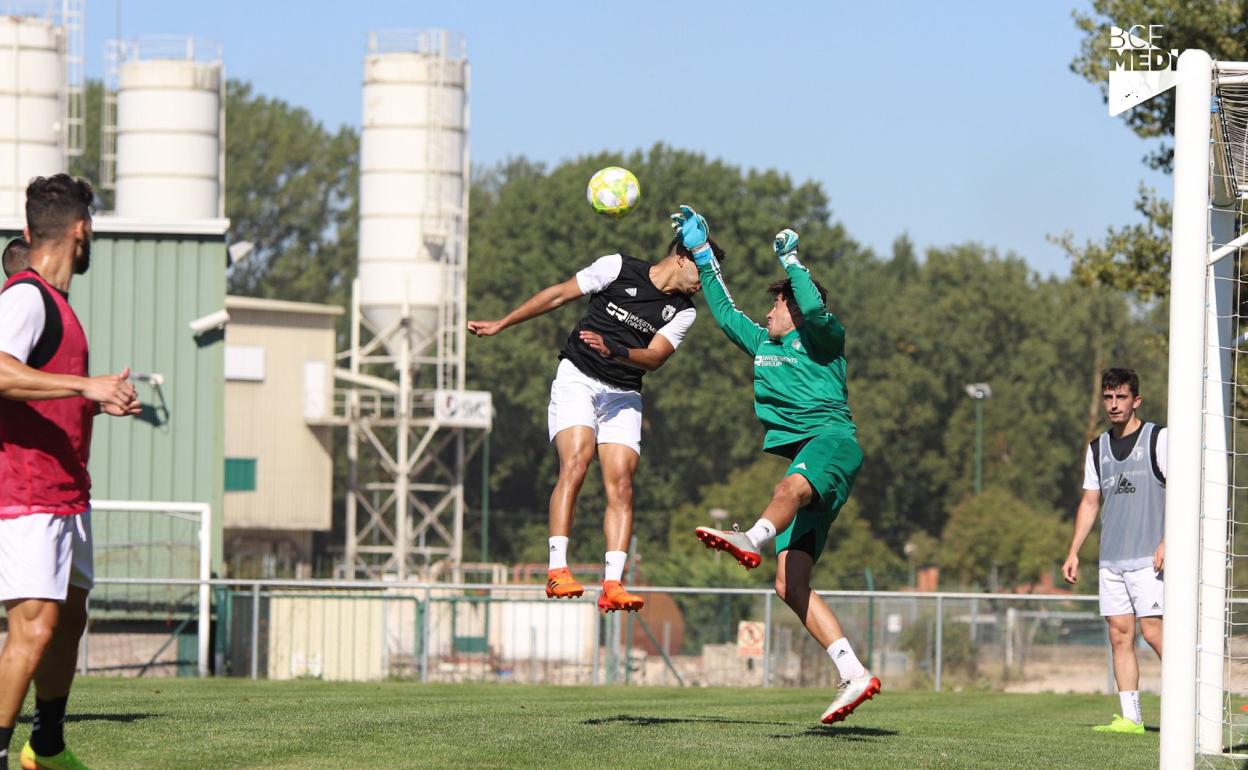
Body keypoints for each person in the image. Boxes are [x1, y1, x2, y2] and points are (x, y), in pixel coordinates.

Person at [676, 206, 877, 725]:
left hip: (831, 442)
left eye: (778, 302)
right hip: (811, 455)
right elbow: (723, 312)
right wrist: (701, 252)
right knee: (789, 585)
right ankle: (853, 673)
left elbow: (812, 307)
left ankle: (753, 539)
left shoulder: (823, 340)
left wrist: (792, 261)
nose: (770, 311)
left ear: (796, 306)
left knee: (789, 486)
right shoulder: (764, 342)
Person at [467, 234, 703, 612]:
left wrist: (616, 350)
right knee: (576, 463)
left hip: (623, 393)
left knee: (622, 483)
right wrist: (503, 323)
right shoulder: (618, 267)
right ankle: (557, 569)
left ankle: (612, 584)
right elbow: (558, 295)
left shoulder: (684, 311)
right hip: (578, 376)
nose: (703, 280)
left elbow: (655, 357)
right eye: (701, 269)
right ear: (681, 257)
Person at [0, 174, 141, 770]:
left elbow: (40, 390)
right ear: (82, 232)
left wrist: (93, 399)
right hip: (27, 495)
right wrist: (86, 384)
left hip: (66, 496)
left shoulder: (58, 307)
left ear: (31, 230)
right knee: (33, 631)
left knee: (69, 622)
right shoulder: (25, 297)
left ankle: (48, 746)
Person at [1062, 367, 1165, 735]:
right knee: (1119, 636)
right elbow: (1090, 503)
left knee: (1154, 632)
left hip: (1149, 559)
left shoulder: (1158, 438)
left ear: (1136, 400)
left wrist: (1169, 541)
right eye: (1108, 397)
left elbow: (1182, 491)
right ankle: (1132, 719)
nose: (1114, 404)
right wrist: (1074, 551)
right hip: (1111, 561)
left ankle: (1195, 703)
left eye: (1121, 397)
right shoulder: (1097, 448)